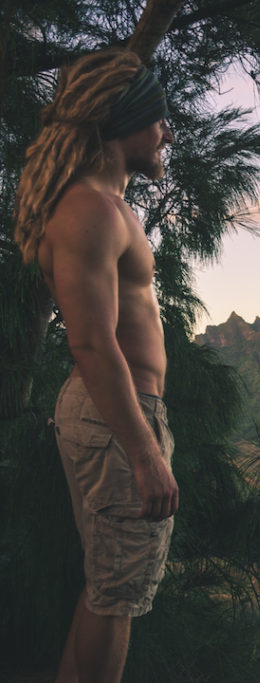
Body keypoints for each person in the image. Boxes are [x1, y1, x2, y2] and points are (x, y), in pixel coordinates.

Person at [13, 48, 178, 683]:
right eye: (158, 117)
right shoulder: (90, 210)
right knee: (117, 599)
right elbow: (93, 343)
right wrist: (144, 452)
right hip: (115, 418)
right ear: (123, 121)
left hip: (119, 415)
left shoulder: (108, 207)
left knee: (106, 590)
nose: (167, 132)